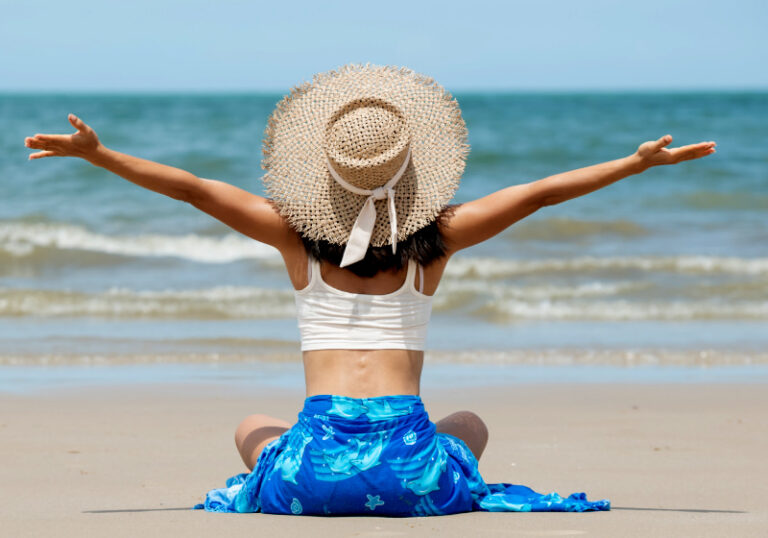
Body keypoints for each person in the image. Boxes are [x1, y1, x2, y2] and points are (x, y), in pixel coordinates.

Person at [24, 64, 715, 516]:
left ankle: (310, 484)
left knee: (249, 428)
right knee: (469, 425)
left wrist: (100, 155)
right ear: (413, 170)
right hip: (410, 472)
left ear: (322, 179)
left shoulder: (293, 238)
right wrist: (633, 163)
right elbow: (536, 195)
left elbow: (195, 190)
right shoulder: (437, 242)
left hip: (310, 477)